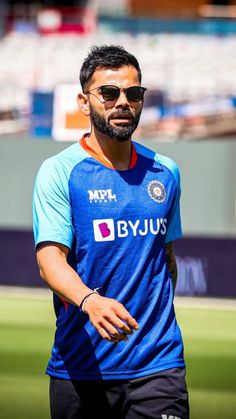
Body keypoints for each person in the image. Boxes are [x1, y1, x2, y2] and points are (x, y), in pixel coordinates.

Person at [33, 45, 189, 419]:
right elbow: (50, 260)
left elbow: (166, 259)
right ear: (84, 103)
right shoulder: (58, 172)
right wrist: (90, 302)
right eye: (109, 93)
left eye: (134, 93)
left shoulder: (166, 171)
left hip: (159, 364)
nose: (123, 102)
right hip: (81, 367)